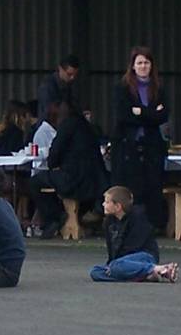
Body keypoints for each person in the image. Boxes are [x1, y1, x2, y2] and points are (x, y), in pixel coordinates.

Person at [109, 46, 170, 232]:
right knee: (128, 188)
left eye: (146, 63)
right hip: (128, 147)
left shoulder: (159, 88)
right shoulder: (122, 88)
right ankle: (125, 227)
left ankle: (151, 227)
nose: (143, 66)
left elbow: (164, 116)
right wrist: (151, 113)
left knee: (152, 187)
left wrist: (140, 112)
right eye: (140, 63)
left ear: (152, 65)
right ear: (133, 66)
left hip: (152, 146)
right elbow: (124, 116)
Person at [30, 99, 105, 238]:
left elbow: (54, 155)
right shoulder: (88, 127)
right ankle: (77, 218)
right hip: (94, 180)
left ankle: (54, 217)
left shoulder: (67, 126)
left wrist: (54, 165)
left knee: (35, 182)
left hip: (72, 178)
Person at [90, 185, 177, 282]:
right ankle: (146, 276)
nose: (103, 204)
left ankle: (157, 268)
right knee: (95, 271)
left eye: (107, 202)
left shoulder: (138, 218)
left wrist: (115, 265)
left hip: (143, 256)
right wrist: (111, 264)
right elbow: (111, 249)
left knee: (116, 266)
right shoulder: (108, 222)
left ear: (118, 206)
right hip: (121, 261)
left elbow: (133, 247)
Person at [36, 54, 81, 121]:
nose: (72, 78)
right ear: (60, 69)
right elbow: (50, 112)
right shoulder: (47, 86)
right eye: (69, 74)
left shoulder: (68, 85)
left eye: (75, 75)